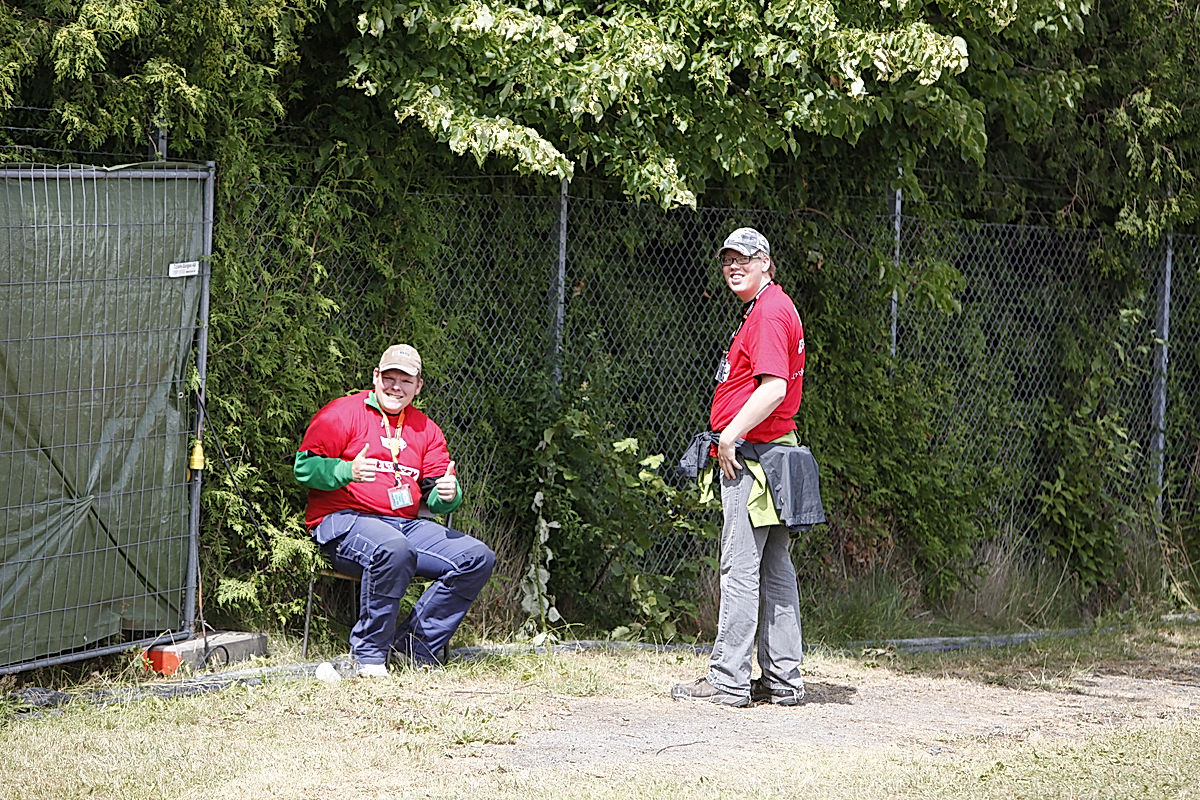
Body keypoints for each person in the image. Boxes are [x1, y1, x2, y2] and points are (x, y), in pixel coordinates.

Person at [671, 227, 815, 707]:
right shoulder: (772, 307)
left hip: (753, 457)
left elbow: (773, 387)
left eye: (746, 259)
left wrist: (730, 434)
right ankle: (783, 680)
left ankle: (729, 678)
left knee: (739, 567)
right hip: (774, 454)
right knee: (776, 568)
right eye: (729, 259)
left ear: (767, 264)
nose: (735, 266)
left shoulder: (770, 313)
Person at [294, 344, 495, 677]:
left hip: (403, 524)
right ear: (376, 377)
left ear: (418, 386)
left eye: (405, 380)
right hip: (343, 521)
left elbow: (435, 493)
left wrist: (448, 494)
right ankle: (368, 658)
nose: (395, 387)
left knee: (476, 557)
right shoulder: (342, 413)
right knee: (392, 548)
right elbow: (304, 468)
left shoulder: (425, 429)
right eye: (389, 377)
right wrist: (345, 472)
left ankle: (412, 649)